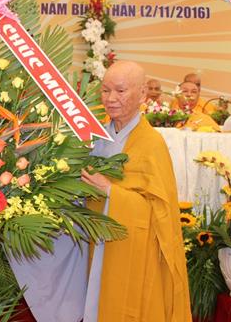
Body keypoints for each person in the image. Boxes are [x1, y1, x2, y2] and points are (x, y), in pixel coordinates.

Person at [80, 61, 191, 322]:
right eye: (105, 90)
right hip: (96, 240)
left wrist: (110, 191)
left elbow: (160, 212)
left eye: (120, 91)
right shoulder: (97, 137)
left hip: (132, 250)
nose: (111, 98)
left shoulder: (151, 144)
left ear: (142, 95)